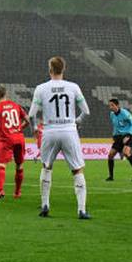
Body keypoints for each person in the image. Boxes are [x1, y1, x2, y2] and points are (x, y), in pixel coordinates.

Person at [29, 56, 92, 219]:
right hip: (69, 131)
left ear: (50, 70)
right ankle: (81, 210)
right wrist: (76, 121)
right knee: (77, 170)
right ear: (64, 69)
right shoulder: (73, 87)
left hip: (49, 131)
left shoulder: (41, 88)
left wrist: (35, 128)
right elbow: (86, 111)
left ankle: (45, 205)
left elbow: (31, 115)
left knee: (46, 167)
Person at [0, 85, 29, 201]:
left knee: (0, 164)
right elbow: (27, 120)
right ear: (6, 94)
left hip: (7, 140)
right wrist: (19, 128)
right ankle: (17, 192)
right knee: (19, 165)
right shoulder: (16, 105)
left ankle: (0, 190)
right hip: (19, 138)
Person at [107, 99, 132, 182]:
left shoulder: (124, 113)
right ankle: (111, 177)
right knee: (110, 155)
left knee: (126, 152)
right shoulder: (112, 115)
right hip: (119, 136)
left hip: (130, 133)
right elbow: (116, 126)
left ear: (117, 105)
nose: (110, 107)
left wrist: (128, 135)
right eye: (109, 105)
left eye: (112, 105)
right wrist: (114, 135)